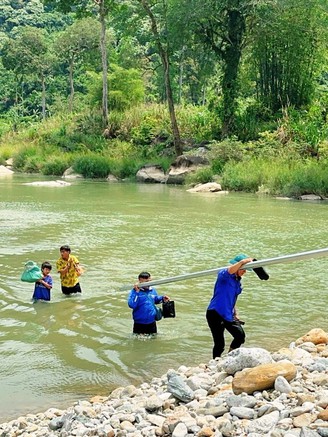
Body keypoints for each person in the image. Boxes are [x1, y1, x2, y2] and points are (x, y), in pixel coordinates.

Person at [206, 254, 253, 359]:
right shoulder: (224, 275)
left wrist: (235, 313)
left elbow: (233, 298)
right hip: (215, 313)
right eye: (243, 269)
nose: (244, 272)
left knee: (240, 336)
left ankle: (230, 357)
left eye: (246, 270)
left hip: (228, 314)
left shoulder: (237, 282)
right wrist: (243, 262)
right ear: (238, 266)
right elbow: (230, 270)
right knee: (219, 344)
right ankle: (215, 362)